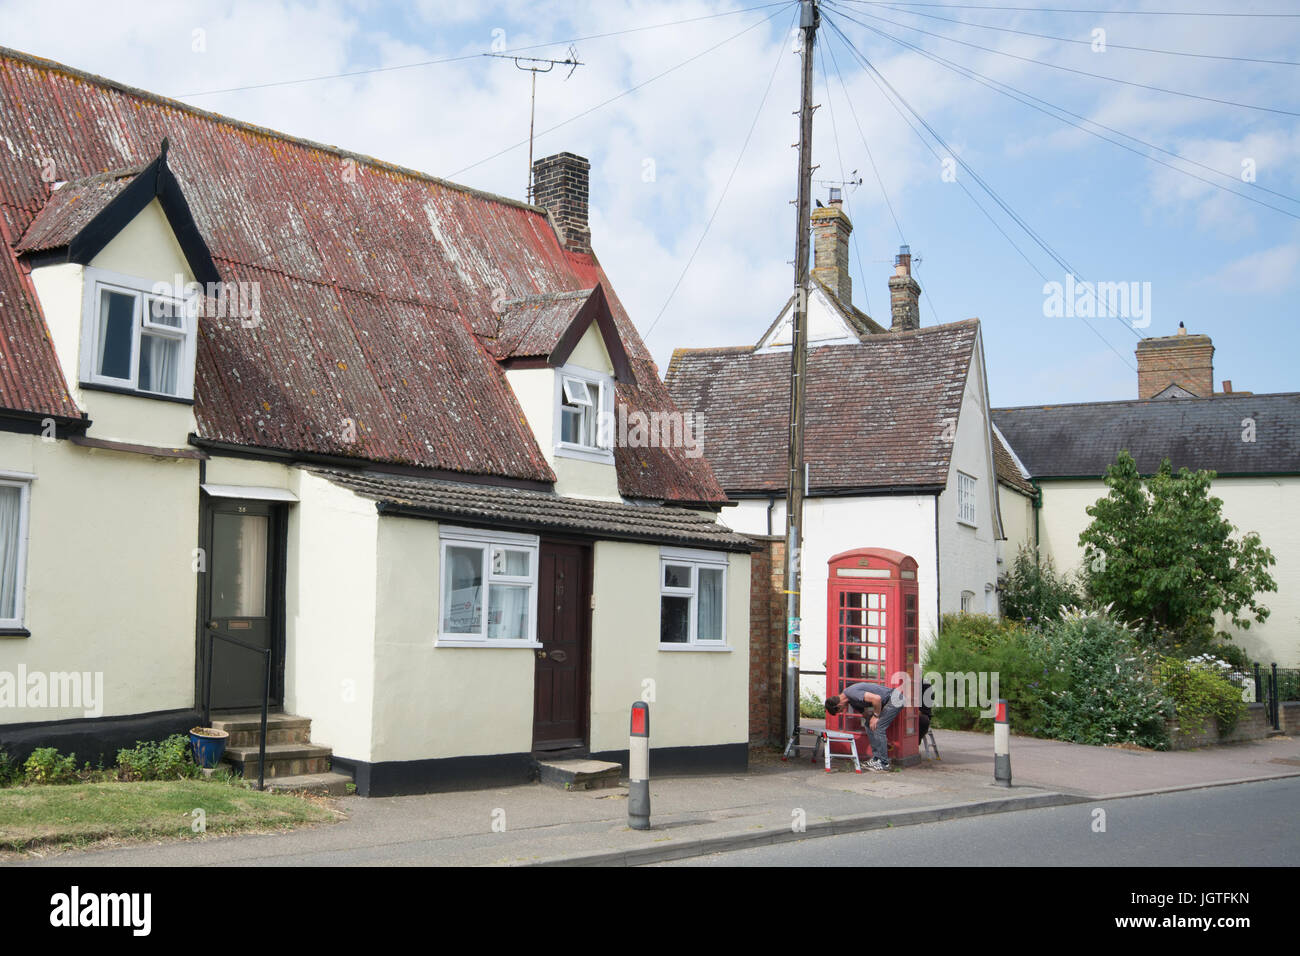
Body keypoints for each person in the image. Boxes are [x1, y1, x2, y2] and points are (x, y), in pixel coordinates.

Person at [825, 681, 906, 771]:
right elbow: (866, 714)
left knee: (879, 727)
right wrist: (879, 739)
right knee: (869, 725)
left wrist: (876, 716)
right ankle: (876, 758)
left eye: (840, 710)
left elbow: (877, 699)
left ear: (838, 705)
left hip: (895, 698)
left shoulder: (851, 693)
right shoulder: (851, 700)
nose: (843, 710)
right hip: (889, 701)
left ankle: (884, 763)